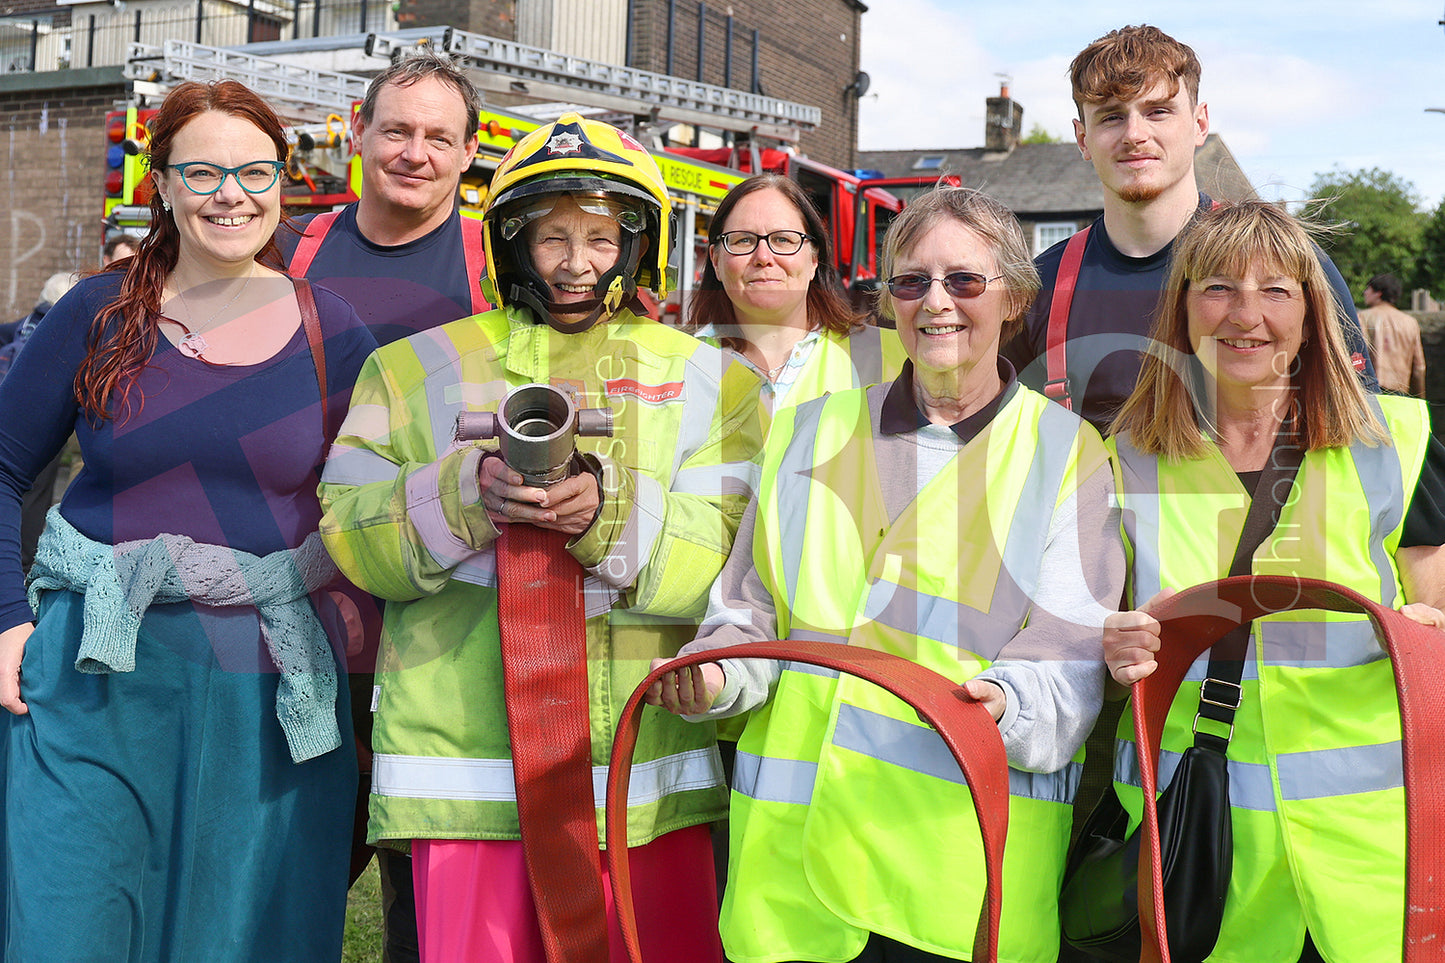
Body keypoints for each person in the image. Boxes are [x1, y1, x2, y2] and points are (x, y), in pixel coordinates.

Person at [318, 111, 766, 963]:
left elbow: (735, 563)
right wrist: (462, 495)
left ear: (641, 246)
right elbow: (348, 533)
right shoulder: (410, 368)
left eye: (600, 238)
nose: (573, 264)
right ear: (507, 243)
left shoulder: (717, 382)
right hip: (463, 795)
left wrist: (607, 515)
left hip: (642, 789)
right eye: (551, 237)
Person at [649, 186, 1126, 962]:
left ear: (1012, 298)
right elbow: (750, 615)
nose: (935, 302)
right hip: (790, 883)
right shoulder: (807, 431)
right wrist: (712, 678)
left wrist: (1004, 700)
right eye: (910, 281)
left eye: (963, 281)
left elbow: (1069, 659)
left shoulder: (1065, 453)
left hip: (953, 880)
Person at [0, 79, 376, 961]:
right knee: (68, 927)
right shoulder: (98, 312)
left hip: (267, 694)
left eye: (254, 171)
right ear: (161, 183)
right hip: (95, 674)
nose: (230, 194)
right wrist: (5, 620)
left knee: (243, 937)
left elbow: (381, 504)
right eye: (201, 171)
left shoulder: (335, 334)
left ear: (285, 180)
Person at [1101, 201, 1445, 963]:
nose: (1244, 313)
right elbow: (1091, 627)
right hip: (1200, 850)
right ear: (1182, 308)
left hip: (1371, 854)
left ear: (1311, 311)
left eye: (1275, 290)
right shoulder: (1123, 456)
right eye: (1217, 287)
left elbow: (1438, 612)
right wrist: (1113, 644)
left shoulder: (1397, 443)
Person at [278, 51, 488, 959]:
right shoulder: (290, 250)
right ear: (357, 133)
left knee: (419, 854)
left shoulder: (496, 260)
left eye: (439, 137)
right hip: (298, 594)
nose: (415, 152)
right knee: (292, 848)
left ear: (469, 153)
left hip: (437, 604)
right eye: (396, 130)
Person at [1002, 24, 1375, 434]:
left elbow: (1358, 426)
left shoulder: (1283, 264)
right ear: (1083, 138)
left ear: (1200, 124)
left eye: (1158, 111)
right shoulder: (1042, 288)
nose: (1135, 135)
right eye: (1111, 116)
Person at [688, 173, 906, 410]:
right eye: (743, 241)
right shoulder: (677, 364)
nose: (763, 257)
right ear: (716, 260)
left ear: (814, 259)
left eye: (783, 240)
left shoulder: (893, 357)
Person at [1358, 272, 1425, 397]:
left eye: (1368, 289)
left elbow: (1359, 355)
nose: (1365, 293)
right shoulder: (1411, 323)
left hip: (1371, 391)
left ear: (1379, 293)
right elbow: (1419, 368)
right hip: (1400, 393)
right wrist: (1420, 398)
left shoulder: (1363, 317)